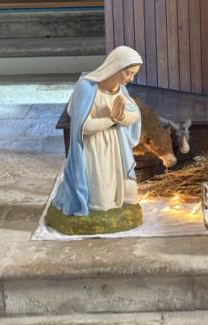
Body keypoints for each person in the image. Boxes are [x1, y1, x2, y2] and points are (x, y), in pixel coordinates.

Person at [52, 46, 143, 217]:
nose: (131, 78)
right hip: (94, 148)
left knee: (126, 190)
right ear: (116, 67)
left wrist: (121, 117)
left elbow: (135, 114)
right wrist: (112, 119)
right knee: (101, 199)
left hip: (116, 146)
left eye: (133, 74)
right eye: (129, 73)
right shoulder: (86, 87)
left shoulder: (120, 89)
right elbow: (83, 126)